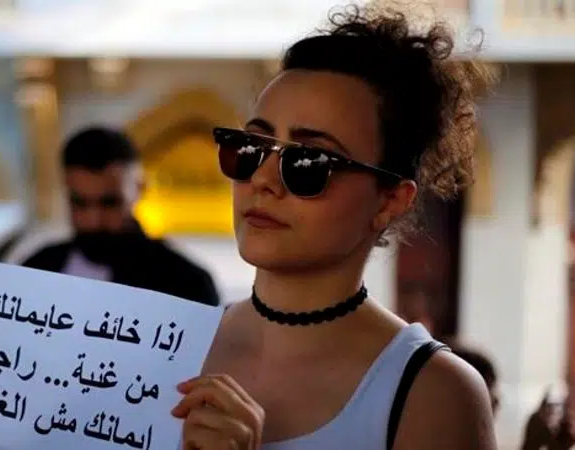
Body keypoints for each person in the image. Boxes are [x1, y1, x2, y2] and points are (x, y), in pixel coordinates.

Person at [169, 3, 499, 449]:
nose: (263, 179)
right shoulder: (167, 344)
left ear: (390, 200)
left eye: (308, 162)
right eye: (250, 148)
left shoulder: (435, 394)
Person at [21, 127, 220, 306]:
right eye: (80, 203)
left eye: (109, 203)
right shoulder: (36, 269)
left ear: (139, 189)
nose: (93, 220)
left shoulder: (186, 284)